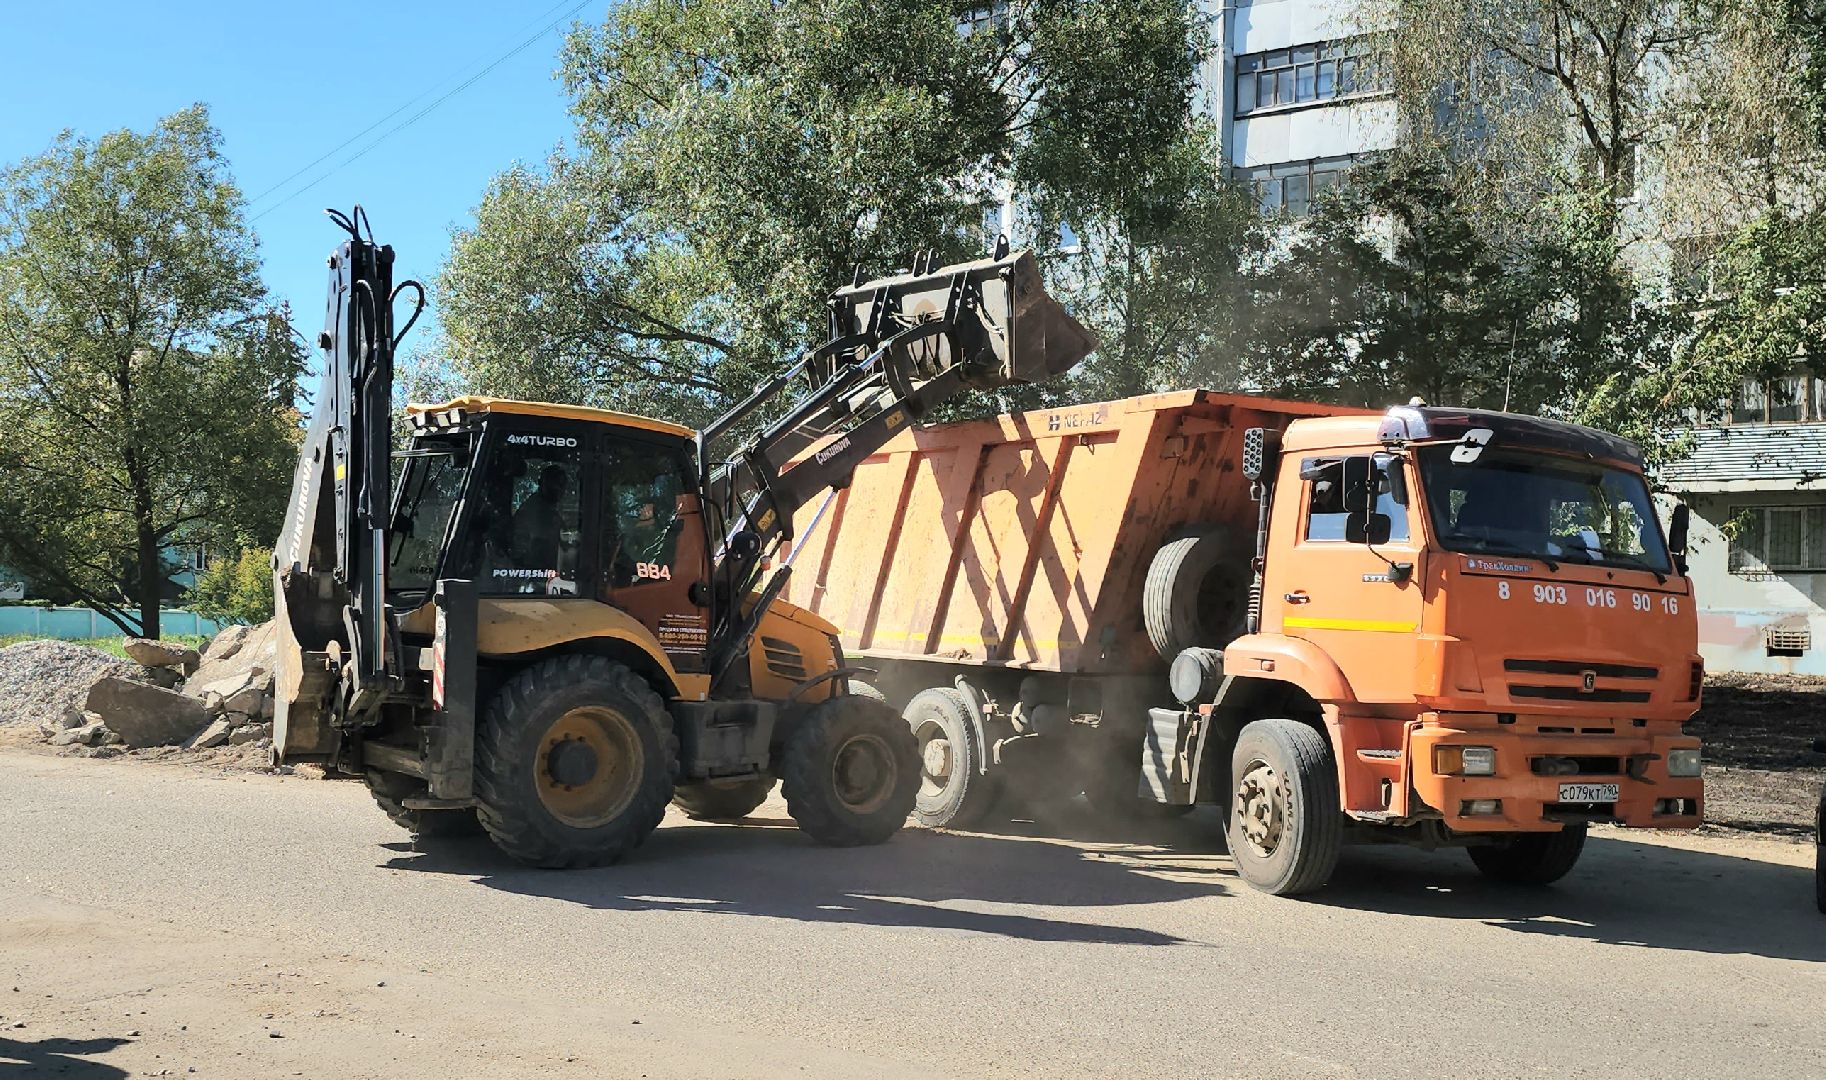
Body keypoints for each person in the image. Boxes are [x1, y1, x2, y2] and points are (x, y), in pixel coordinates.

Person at [511, 464, 569, 571]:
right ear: (541, 483)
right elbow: (541, 542)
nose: (557, 488)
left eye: (561, 484)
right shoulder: (534, 510)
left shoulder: (548, 508)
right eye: (553, 483)